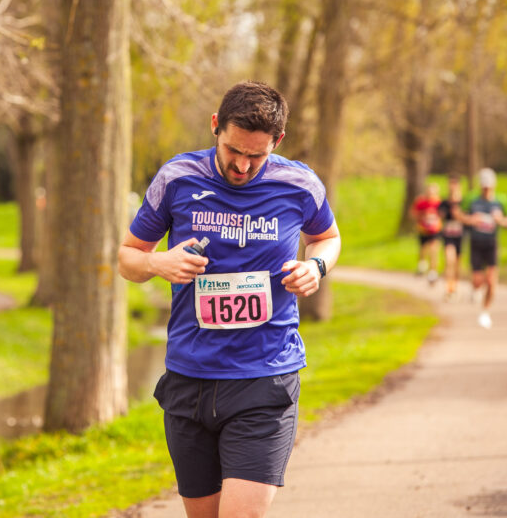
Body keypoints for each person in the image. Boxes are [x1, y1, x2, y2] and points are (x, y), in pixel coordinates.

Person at [118, 81, 341, 518]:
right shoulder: (177, 178)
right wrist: (159, 264)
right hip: (190, 378)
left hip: (265, 376)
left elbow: (326, 238)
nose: (241, 165)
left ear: (277, 141)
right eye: (232, 150)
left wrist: (315, 267)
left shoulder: (299, 184)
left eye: (255, 155)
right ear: (215, 126)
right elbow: (128, 258)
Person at [462, 167, 507, 328]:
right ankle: (475, 288)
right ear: (480, 185)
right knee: (478, 281)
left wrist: (501, 221)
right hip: (476, 244)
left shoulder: (501, 200)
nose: (486, 190)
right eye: (484, 186)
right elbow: (459, 215)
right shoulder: (472, 199)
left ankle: (485, 312)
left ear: (494, 185)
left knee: (491, 281)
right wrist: (471, 220)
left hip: (491, 245)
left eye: (489, 186)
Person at [437, 175, 465, 300]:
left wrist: (459, 214)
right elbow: (439, 216)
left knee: (457, 264)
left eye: (455, 184)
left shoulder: (464, 202)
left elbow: (467, 218)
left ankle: (455, 287)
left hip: (460, 235)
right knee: (449, 260)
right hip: (448, 235)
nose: (452, 187)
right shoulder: (444, 203)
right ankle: (448, 289)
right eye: (450, 184)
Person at [411, 182, 443, 284]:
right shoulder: (421, 202)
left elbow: (443, 214)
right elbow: (414, 213)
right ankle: (422, 265)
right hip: (423, 229)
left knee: (434, 250)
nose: (430, 194)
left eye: (433, 192)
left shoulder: (439, 202)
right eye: (429, 192)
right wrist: (422, 217)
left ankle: (433, 272)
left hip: (435, 230)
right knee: (423, 250)